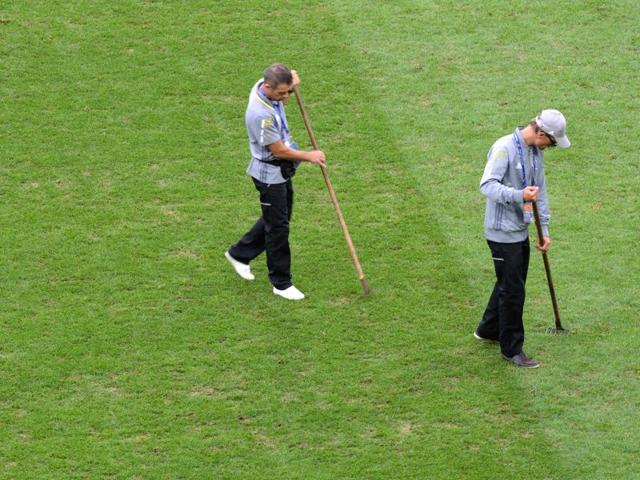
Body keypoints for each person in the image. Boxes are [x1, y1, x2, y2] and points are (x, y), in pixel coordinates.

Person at [474, 109, 570, 368]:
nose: (549, 147)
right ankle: (511, 349)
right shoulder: (504, 148)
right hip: (501, 233)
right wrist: (519, 195)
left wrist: (545, 231)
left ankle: (488, 329)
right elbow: (487, 185)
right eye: (551, 141)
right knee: (513, 290)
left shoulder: (535, 153)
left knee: (510, 281)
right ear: (541, 132)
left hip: (520, 229)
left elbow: (541, 193)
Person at [225, 64, 326, 300]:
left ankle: (239, 254)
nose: (285, 97)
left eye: (289, 92)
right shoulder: (261, 115)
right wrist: (309, 155)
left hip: (280, 173)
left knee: (279, 218)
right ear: (267, 87)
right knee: (278, 227)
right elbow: (279, 151)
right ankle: (281, 283)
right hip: (270, 175)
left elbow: (279, 71)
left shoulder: (266, 84)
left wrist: (291, 79)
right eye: (281, 94)